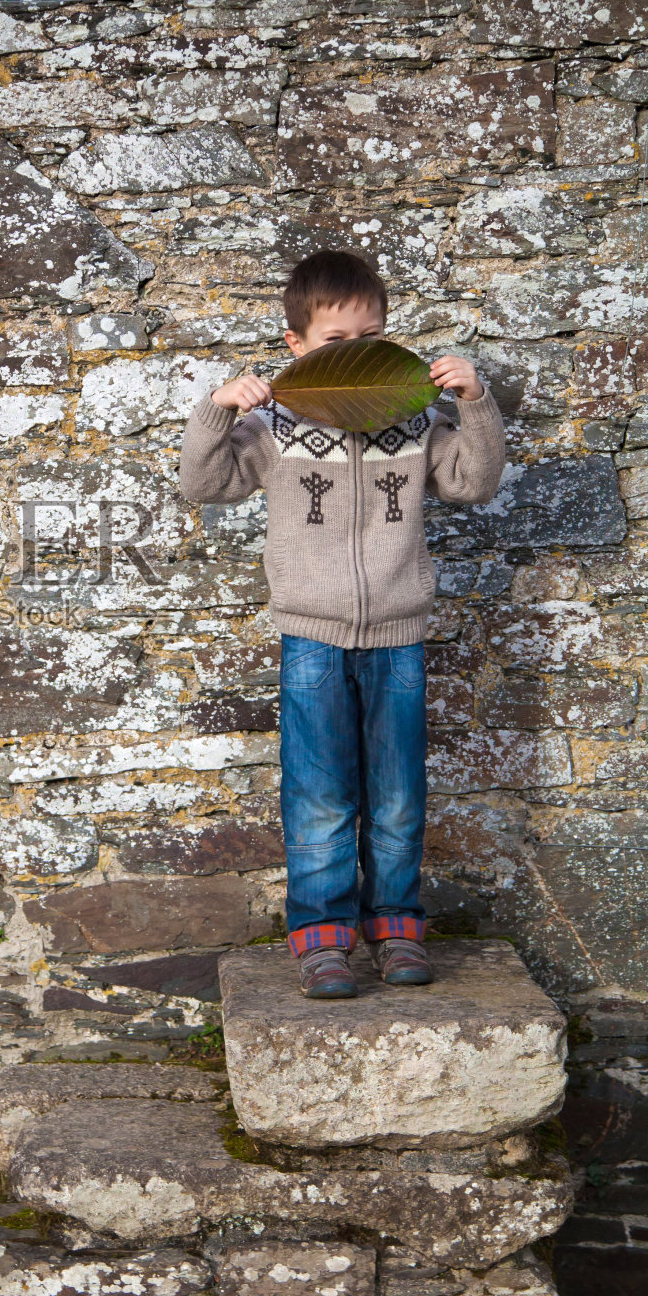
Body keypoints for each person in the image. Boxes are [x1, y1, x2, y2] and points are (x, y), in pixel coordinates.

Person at [178, 249, 506, 999]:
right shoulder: (274, 425)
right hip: (312, 639)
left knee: (396, 793)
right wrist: (219, 408)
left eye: (374, 337)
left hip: (399, 638)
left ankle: (396, 927)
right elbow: (204, 482)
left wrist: (474, 401)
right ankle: (322, 938)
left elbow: (473, 481)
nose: (356, 354)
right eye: (335, 343)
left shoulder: (415, 416)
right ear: (296, 346)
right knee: (320, 794)